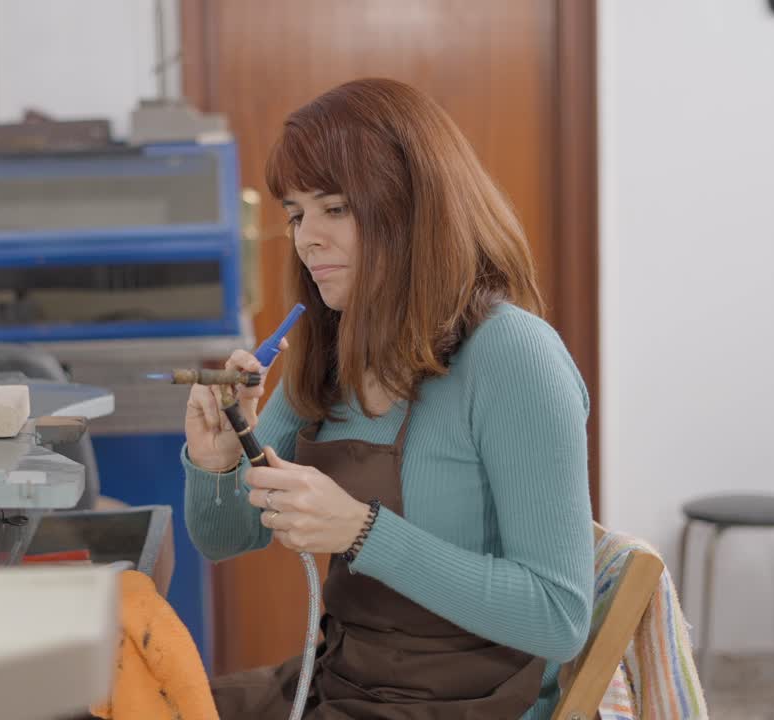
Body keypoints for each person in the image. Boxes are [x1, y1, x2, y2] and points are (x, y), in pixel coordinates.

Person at [181, 77, 594, 719]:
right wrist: (216, 463)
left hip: (463, 705)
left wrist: (361, 530)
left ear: (414, 207)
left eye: (335, 208)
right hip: (343, 682)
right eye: (296, 214)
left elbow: (559, 617)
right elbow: (226, 539)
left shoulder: (513, 355)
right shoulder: (332, 350)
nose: (307, 238)